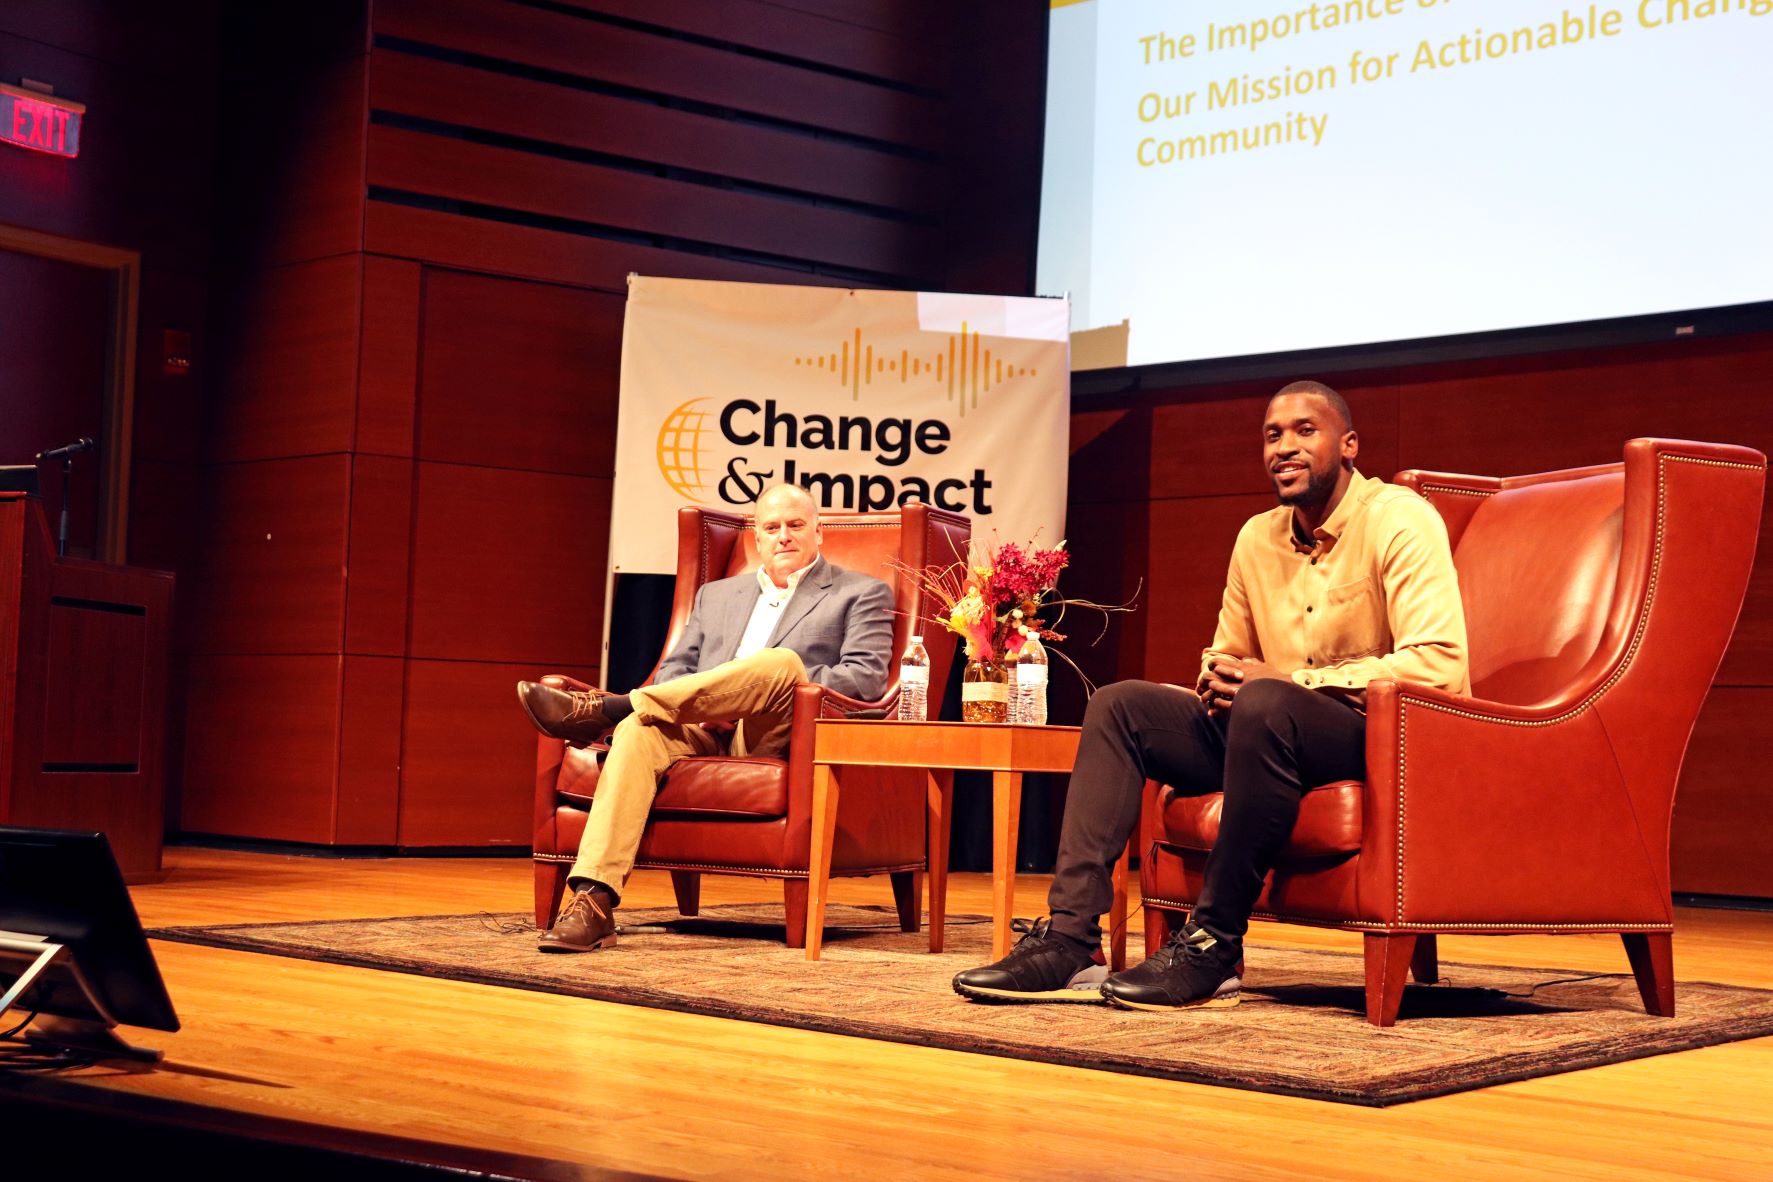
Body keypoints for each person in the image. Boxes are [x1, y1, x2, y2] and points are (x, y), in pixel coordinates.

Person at [953, 380, 1469, 1009]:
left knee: (1264, 701)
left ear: (1349, 444)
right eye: (1272, 435)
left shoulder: (1399, 519)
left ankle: (1213, 944)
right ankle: (1070, 942)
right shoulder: (1257, 537)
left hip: (1366, 736)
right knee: (1119, 706)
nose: (1284, 446)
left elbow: (1438, 665)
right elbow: (1224, 653)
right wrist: (1220, 678)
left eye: (1306, 430)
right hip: (1263, 729)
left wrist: (1281, 682)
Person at [517, 482, 894, 953]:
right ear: (757, 539)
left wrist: (760, 689)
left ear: (820, 533)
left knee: (780, 663)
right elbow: (676, 670)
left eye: (796, 525)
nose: (784, 537)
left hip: (778, 732)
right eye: (772, 527)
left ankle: (609, 709)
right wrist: (709, 703)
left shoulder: (860, 592)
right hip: (702, 727)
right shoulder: (717, 595)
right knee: (638, 729)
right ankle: (593, 901)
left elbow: (865, 680)